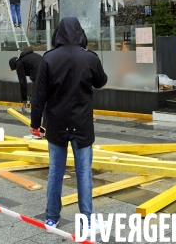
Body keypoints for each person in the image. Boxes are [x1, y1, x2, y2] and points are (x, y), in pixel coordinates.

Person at [30, 17, 107, 234]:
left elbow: (39, 95)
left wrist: (35, 122)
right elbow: (101, 81)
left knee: (56, 172)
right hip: (82, 125)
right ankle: (87, 221)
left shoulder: (49, 58)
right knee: (84, 174)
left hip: (56, 124)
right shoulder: (90, 58)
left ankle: (52, 218)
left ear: (58, 34)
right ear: (80, 33)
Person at [9, 49, 43, 113]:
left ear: (14, 65)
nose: (16, 71)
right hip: (46, 70)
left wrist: (24, 99)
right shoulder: (27, 58)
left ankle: (36, 120)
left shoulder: (19, 63)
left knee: (36, 98)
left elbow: (23, 83)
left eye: (15, 69)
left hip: (39, 75)